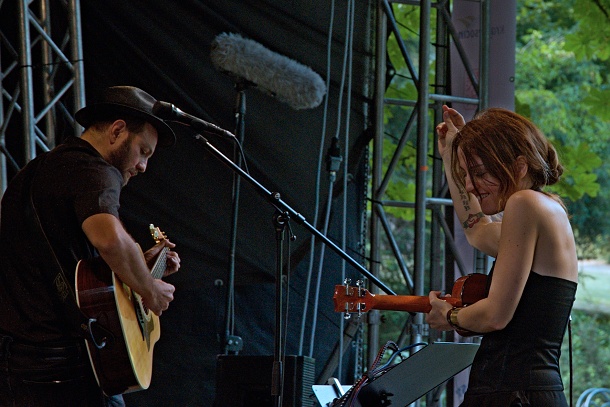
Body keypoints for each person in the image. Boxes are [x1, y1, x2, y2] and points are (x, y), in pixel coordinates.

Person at [0, 86, 182, 406]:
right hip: (67, 368)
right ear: (117, 130)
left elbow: (80, 269)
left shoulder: (43, 169)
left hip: (21, 365)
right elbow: (110, 240)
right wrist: (149, 290)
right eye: (143, 152)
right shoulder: (94, 170)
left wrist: (142, 263)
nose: (143, 167)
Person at [426, 105, 578, 406]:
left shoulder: (524, 204)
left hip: (512, 393)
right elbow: (476, 229)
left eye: (479, 173)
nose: (469, 185)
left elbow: (495, 315)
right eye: (465, 175)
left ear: (519, 166)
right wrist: (450, 156)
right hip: (526, 391)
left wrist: (451, 316)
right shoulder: (548, 210)